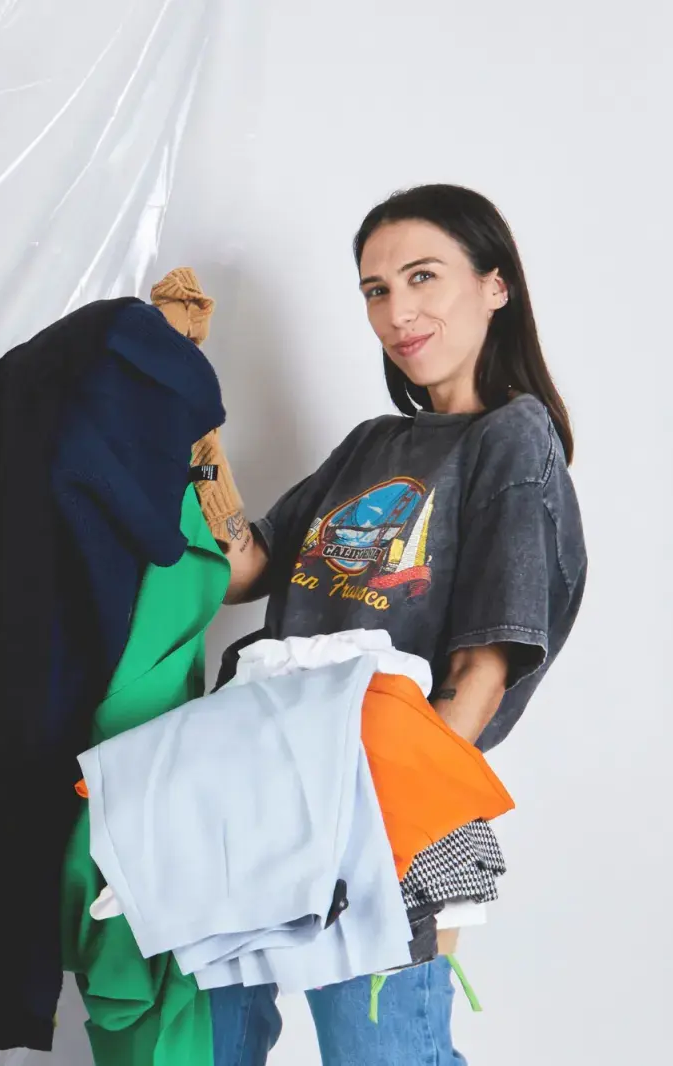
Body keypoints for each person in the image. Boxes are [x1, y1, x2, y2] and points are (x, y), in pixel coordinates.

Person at [207, 184, 587, 1064]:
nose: (397, 311)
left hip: (390, 807)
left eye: (423, 278)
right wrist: (190, 437)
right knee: (215, 1046)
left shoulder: (513, 438)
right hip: (271, 784)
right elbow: (247, 568)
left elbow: (486, 667)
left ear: (496, 285)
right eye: (376, 290)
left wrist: (383, 821)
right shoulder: (375, 441)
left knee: (380, 1052)